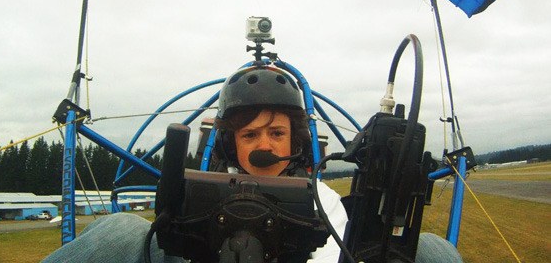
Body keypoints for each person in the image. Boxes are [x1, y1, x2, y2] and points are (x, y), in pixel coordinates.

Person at [43, 66, 463, 263]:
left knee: (432, 250)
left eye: (276, 133)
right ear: (232, 144)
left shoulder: (323, 200)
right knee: (119, 230)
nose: (264, 145)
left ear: (293, 141)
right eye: (250, 135)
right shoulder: (198, 193)